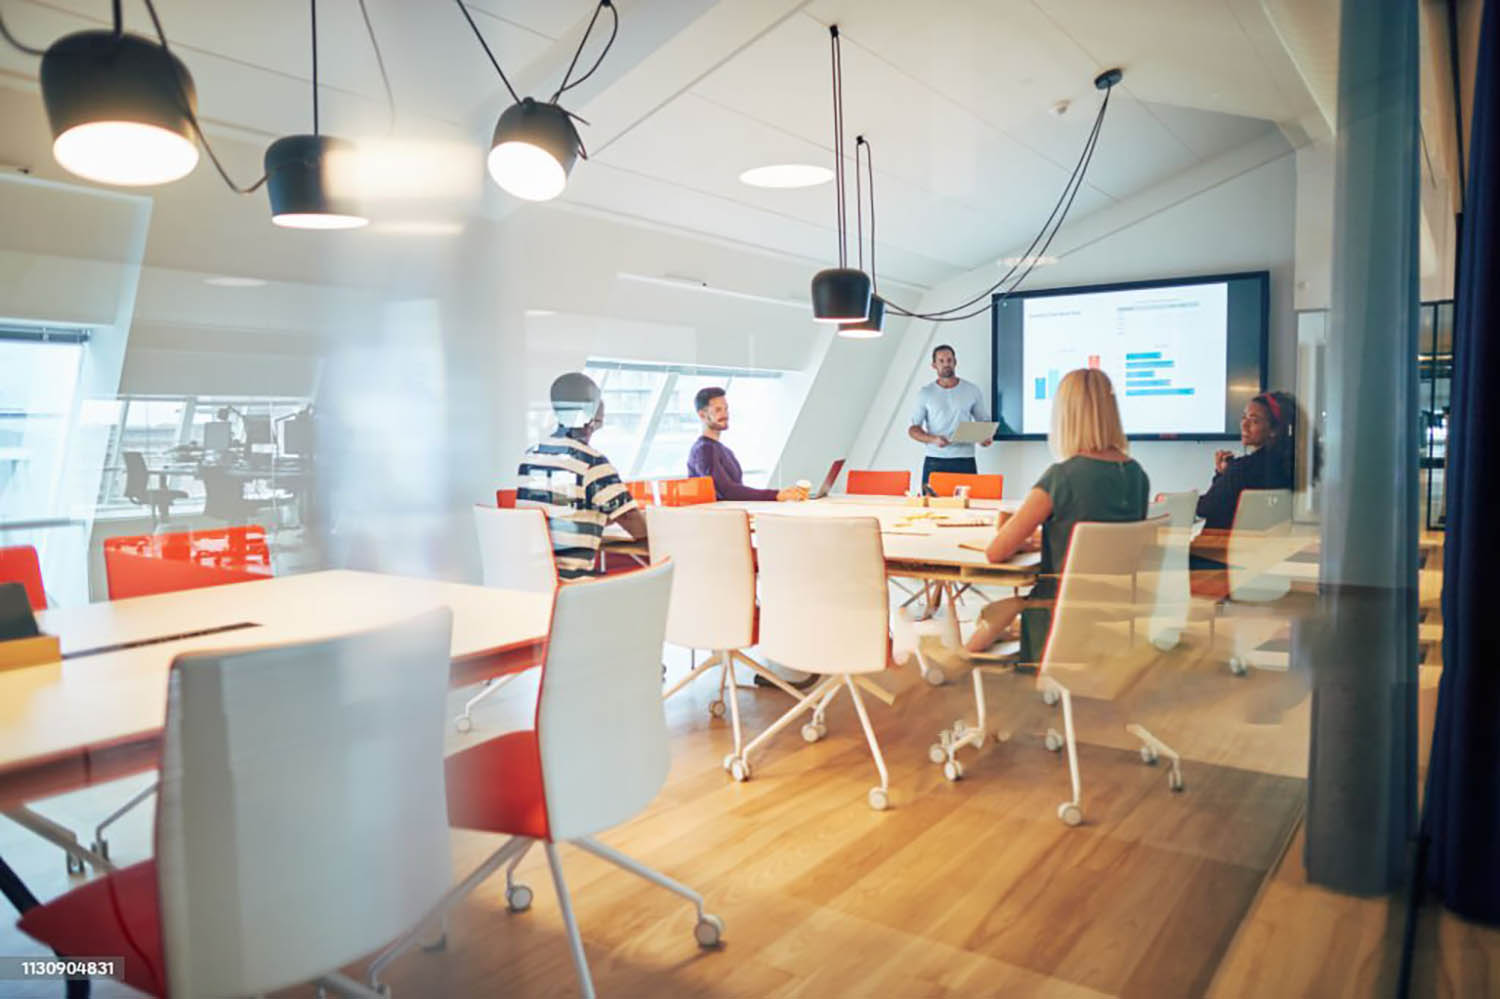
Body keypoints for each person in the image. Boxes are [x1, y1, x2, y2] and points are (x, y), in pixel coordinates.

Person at [965, 368, 1149, 656]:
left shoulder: (1062, 477)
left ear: (1066, 417)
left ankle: (955, 668)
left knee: (994, 615)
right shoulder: (1136, 474)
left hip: (1057, 621)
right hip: (1114, 619)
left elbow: (995, 553)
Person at [516, 372, 647, 580]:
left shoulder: (531, 457)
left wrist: (596, 514)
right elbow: (634, 524)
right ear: (592, 418)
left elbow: (561, 505)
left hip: (533, 580)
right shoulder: (591, 462)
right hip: (574, 582)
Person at [1195, 391, 1297, 530]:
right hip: (1262, 547)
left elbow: (1206, 508)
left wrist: (1221, 475)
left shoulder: (1243, 469)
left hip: (1220, 549)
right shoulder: (1288, 466)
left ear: (1274, 429)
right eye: (1244, 417)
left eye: (1254, 420)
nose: (1244, 425)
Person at [686, 387, 807, 502]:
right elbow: (727, 491)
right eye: (718, 410)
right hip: (715, 521)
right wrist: (776, 495)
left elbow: (735, 489)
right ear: (702, 415)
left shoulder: (723, 450)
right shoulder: (704, 449)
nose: (725, 414)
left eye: (726, 409)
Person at [908, 344, 992, 491]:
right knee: (932, 508)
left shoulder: (972, 390)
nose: (946, 364)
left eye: (949, 360)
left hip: (965, 459)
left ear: (955, 362)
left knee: (969, 507)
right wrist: (933, 439)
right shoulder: (925, 393)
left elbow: (984, 421)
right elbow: (913, 429)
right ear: (934, 365)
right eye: (941, 361)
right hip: (935, 460)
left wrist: (984, 437)